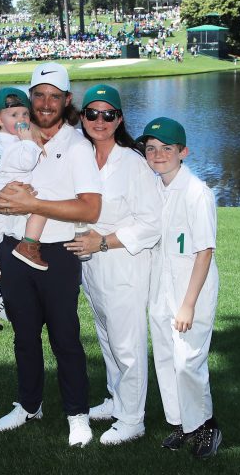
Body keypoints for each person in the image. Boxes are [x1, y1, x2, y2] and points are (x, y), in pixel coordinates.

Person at [0, 62, 102, 447]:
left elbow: (89, 209)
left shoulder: (77, 146)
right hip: (13, 251)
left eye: (54, 96)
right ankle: (29, 405)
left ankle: (77, 415)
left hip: (57, 254)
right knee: (24, 336)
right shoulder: (6, 141)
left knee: (65, 338)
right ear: (29, 99)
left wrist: (35, 204)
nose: (45, 103)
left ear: (67, 101)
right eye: (39, 95)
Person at [64, 84, 161, 445]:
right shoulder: (81, 155)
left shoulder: (132, 163)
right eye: (92, 113)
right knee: (106, 338)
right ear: (83, 117)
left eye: (108, 114)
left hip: (124, 263)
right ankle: (115, 399)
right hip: (90, 265)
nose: (99, 121)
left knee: (127, 344)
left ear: (119, 118)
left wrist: (103, 241)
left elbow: (151, 224)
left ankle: (133, 418)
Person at [139, 117, 222, 458]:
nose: (158, 155)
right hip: (161, 288)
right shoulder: (155, 187)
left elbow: (205, 251)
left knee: (188, 362)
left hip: (191, 292)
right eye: (151, 149)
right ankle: (181, 425)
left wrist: (188, 304)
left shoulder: (196, 193)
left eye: (166, 149)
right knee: (166, 358)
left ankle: (206, 426)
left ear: (183, 152)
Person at [0, 87, 50, 284]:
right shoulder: (15, 143)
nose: (21, 119)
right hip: (16, 189)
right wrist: (28, 142)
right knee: (42, 208)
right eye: (14, 114)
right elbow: (27, 162)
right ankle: (29, 245)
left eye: (25, 114)